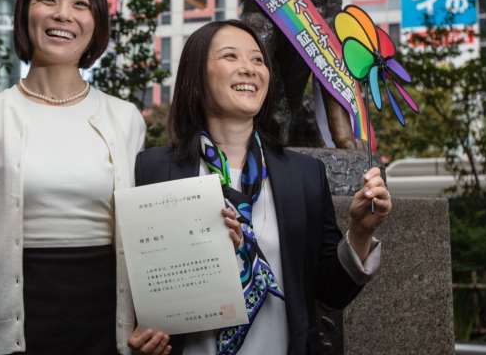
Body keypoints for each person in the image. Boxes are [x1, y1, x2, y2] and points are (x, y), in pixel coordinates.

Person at [128, 20, 391, 355]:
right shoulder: (152, 169)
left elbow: (331, 292)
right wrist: (141, 334)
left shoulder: (305, 176)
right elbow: (133, 284)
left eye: (257, 60)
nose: (249, 69)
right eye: (230, 57)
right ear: (196, 76)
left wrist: (360, 232)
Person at [0, 0, 148, 354]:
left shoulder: (127, 120)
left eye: (80, 4)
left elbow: (141, 236)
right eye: (48, 0)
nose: (63, 14)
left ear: (96, 22)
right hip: (17, 323)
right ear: (26, 14)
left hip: (105, 322)